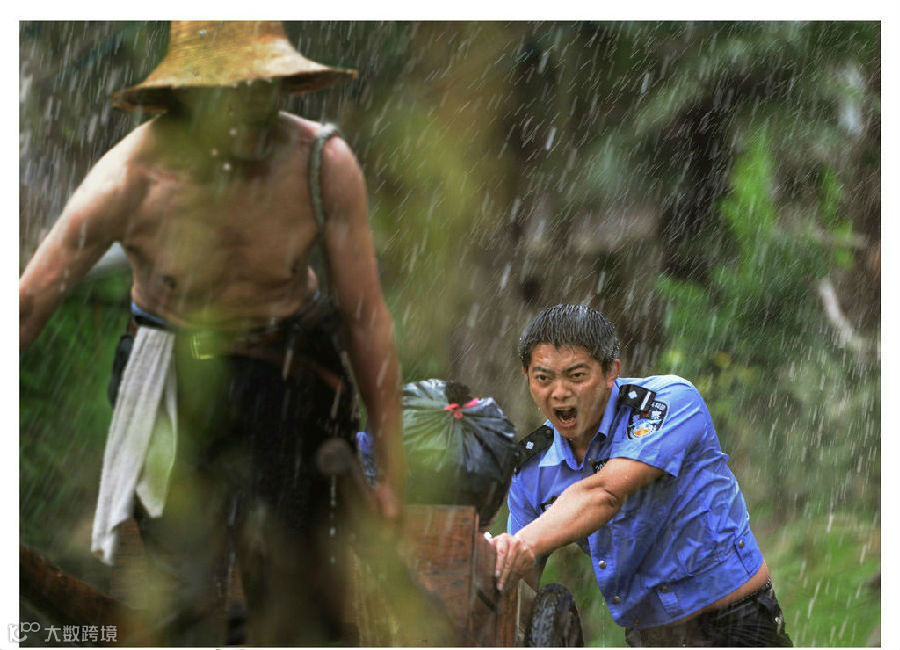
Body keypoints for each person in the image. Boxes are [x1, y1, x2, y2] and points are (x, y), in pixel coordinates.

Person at [19, 21, 405, 645]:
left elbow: (365, 318)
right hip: (171, 376)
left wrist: (391, 472)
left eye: (262, 88)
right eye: (230, 92)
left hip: (288, 377)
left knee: (290, 586)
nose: (249, 109)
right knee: (182, 589)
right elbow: (27, 304)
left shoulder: (321, 164)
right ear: (186, 96)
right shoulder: (131, 177)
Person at [490, 304, 792, 647]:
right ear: (526, 376)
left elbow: (604, 493)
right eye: (543, 378)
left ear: (611, 371)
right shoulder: (531, 469)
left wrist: (521, 545)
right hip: (649, 638)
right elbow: (519, 584)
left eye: (576, 376)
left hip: (737, 623)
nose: (559, 392)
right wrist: (496, 561)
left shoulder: (668, 403)